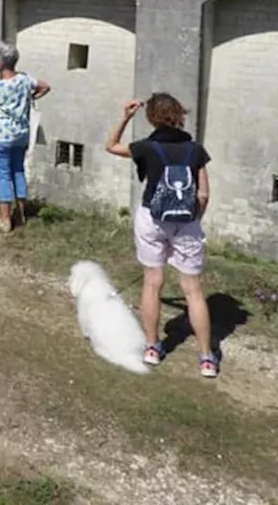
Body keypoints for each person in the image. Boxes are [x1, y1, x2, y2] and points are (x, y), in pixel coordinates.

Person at [105, 94, 218, 379]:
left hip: (151, 219)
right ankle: (206, 357)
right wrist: (193, 220)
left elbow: (111, 146)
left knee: (153, 282)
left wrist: (126, 116)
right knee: (193, 290)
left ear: (152, 118)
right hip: (187, 221)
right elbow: (203, 194)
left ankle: (153, 347)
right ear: (180, 114)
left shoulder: (147, 147)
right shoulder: (195, 150)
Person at [0, 43, 50, 232]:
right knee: (18, 171)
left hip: (0, 136)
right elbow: (45, 86)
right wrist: (30, 98)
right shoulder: (24, 80)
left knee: (3, 176)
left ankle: (5, 219)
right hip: (21, 134)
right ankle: (21, 213)